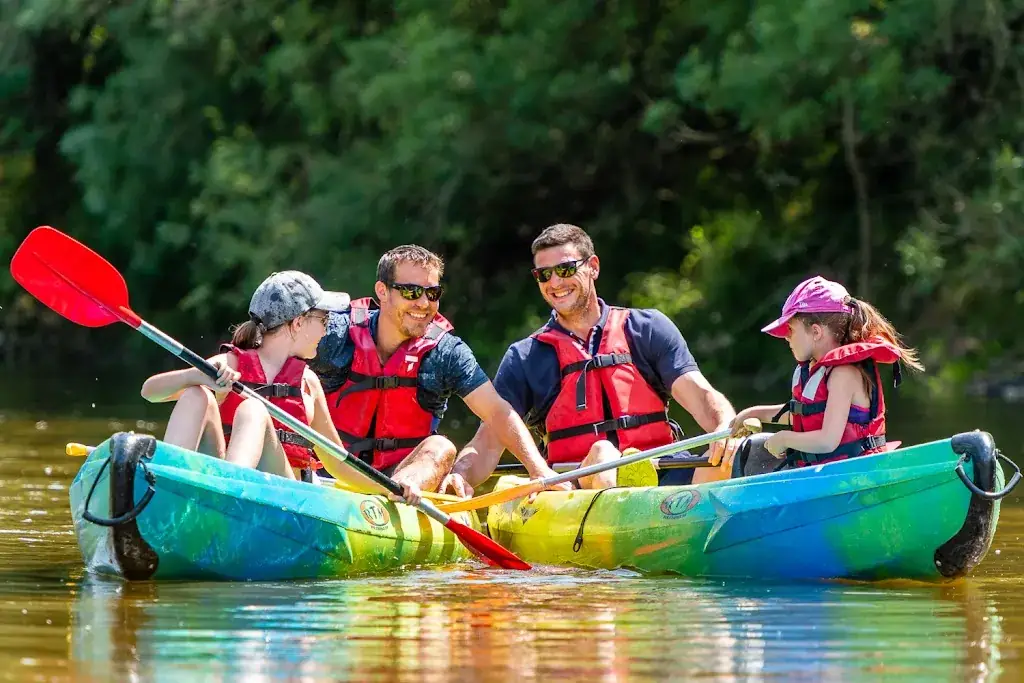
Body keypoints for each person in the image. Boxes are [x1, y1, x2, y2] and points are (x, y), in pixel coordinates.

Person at [442, 223, 740, 496]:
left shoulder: (646, 329)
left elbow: (702, 397)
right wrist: (460, 474)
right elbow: (488, 443)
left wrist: (726, 427)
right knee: (604, 454)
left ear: (593, 267)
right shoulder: (525, 357)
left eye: (566, 269)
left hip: (663, 473)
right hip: (577, 488)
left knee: (731, 459)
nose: (555, 282)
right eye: (544, 274)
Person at [310, 244, 567, 504]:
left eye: (432, 293)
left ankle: (398, 497)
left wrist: (539, 470)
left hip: (402, 483)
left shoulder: (445, 351)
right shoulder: (334, 334)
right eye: (411, 292)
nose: (423, 304)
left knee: (442, 447)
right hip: (328, 476)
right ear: (382, 292)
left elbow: (497, 411)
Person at [141, 271, 351, 482]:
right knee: (196, 395)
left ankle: (231, 488)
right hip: (228, 486)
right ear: (298, 323)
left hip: (285, 493)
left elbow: (339, 464)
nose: (326, 331)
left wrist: (384, 488)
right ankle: (167, 484)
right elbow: (149, 391)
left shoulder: (309, 383)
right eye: (324, 320)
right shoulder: (230, 363)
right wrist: (198, 377)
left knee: (254, 409)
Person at [731, 275, 924, 470]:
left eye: (790, 329)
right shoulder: (820, 370)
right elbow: (806, 414)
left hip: (856, 475)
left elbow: (828, 440)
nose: (786, 337)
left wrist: (784, 439)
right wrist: (753, 413)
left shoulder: (843, 374)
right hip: (827, 474)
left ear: (816, 332)